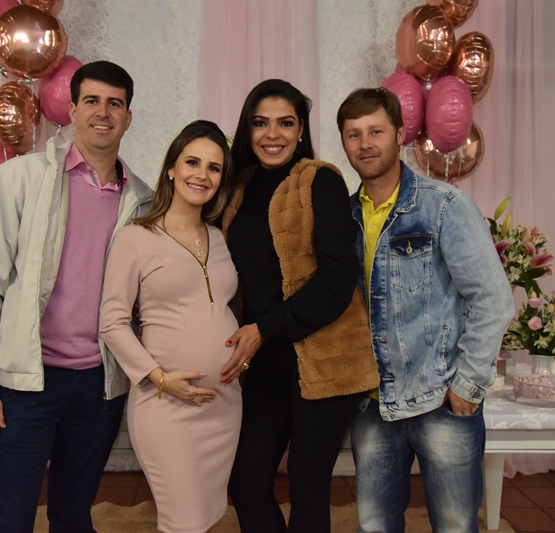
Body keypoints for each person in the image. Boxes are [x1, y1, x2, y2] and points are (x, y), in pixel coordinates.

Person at [0, 61, 153, 533]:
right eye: (92, 101)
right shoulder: (18, 179)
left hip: (98, 387)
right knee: (7, 520)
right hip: (25, 382)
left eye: (115, 103)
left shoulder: (143, 200)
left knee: (73, 516)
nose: (103, 112)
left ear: (128, 117)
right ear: (72, 110)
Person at [336, 87, 514, 533]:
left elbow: (493, 299)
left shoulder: (444, 206)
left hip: (440, 399)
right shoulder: (342, 217)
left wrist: (467, 386)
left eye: (376, 131)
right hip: (372, 405)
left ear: (400, 134)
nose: (365, 143)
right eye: (354, 134)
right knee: (375, 525)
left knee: (455, 526)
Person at [220, 79, 380, 533]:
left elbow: (336, 281)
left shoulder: (320, 180)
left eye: (285, 123)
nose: (273, 134)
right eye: (261, 123)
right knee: (246, 483)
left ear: (301, 129)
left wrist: (263, 328)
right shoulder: (237, 189)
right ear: (247, 129)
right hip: (266, 360)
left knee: (308, 489)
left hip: (327, 358)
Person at [99, 120, 240, 532]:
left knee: (208, 515)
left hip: (224, 405)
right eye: (192, 162)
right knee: (184, 521)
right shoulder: (136, 238)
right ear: (172, 169)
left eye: (214, 168)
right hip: (166, 406)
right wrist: (159, 378)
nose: (202, 175)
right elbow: (112, 322)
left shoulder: (220, 236)